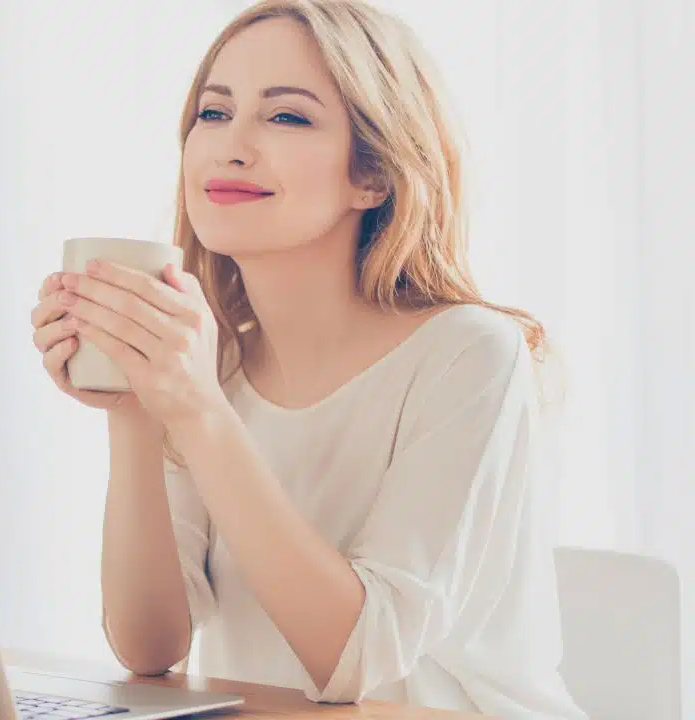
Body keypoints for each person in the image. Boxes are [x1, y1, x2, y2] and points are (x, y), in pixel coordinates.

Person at [29, 1, 586, 717]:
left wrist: (194, 408)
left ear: (374, 176)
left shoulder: (469, 353)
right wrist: (135, 407)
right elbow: (149, 647)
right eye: (213, 112)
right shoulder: (210, 365)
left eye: (286, 117)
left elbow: (356, 657)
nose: (232, 145)